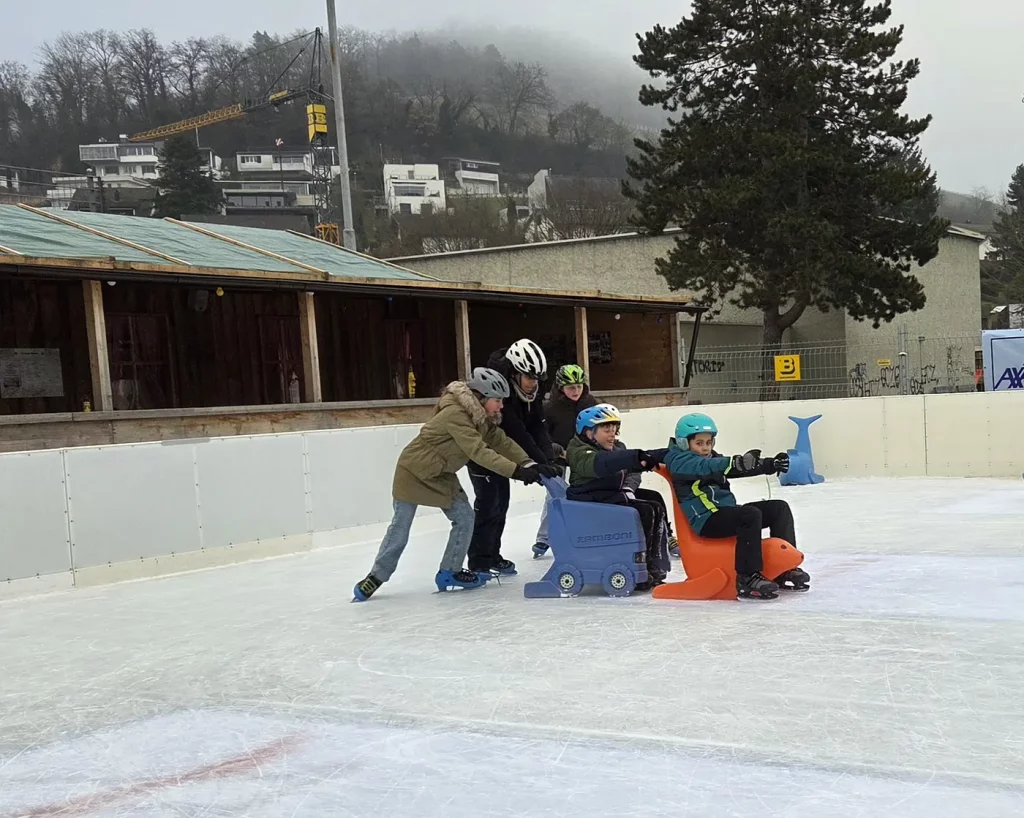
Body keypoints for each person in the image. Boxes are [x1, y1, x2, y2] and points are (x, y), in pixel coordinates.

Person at [352, 367, 544, 602]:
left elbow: (500, 440)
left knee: (465, 518)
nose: (501, 406)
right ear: (482, 397)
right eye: (497, 400)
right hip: (412, 471)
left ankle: (449, 572)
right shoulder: (456, 414)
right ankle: (376, 576)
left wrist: (528, 462)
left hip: (441, 475)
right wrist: (516, 472)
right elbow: (479, 452)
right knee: (400, 527)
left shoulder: (480, 418)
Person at [661, 412, 810, 600]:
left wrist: (769, 464)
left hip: (723, 513)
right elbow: (708, 466)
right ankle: (747, 578)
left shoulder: (712, 459)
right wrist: (736, 462)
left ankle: (784, 569)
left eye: (709, 442)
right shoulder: (679, 461)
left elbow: (733, 468)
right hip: (706, 520)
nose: (705, 448)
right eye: (699, 443)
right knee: (749, 515)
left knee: (778, 508)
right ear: (684, 443)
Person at [467, 338, 561, 576]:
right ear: (515, 372)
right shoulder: (500, 389)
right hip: (483, 453)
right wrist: (537, 463)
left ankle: (492, 555)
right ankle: (478, 561)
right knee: (488, 505)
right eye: (529, 377)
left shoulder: (531, 391)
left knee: (501, 504)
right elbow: (516, 430)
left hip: (506, 454)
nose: (533, 383)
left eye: (537, 378)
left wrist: (549, 459)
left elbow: (537, 426)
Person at [565, 403, 671, 590]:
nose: (612, 434)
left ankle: (656, 560)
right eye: (606, 429)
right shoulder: (579, 452)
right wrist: (635, 457)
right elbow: (602, 464)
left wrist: (659, 456)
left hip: (608, 495)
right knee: (645, 510)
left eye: (614, 429)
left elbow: (631, 467)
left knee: (655, 499)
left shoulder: (615, 448)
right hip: (589, 503)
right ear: (589, 432)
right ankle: (640, 566)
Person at [531, 363, 599, 558]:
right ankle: (544, 538)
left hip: (583, 457)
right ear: (561, 387)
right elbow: (542, 434)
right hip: (558, 459)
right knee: (554, 497)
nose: (576, 391)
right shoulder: (550, 407)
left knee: (587, 494)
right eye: (570, 387)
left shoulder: (591, 404)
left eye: (578, 386)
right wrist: (554, 450)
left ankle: (588, 533)